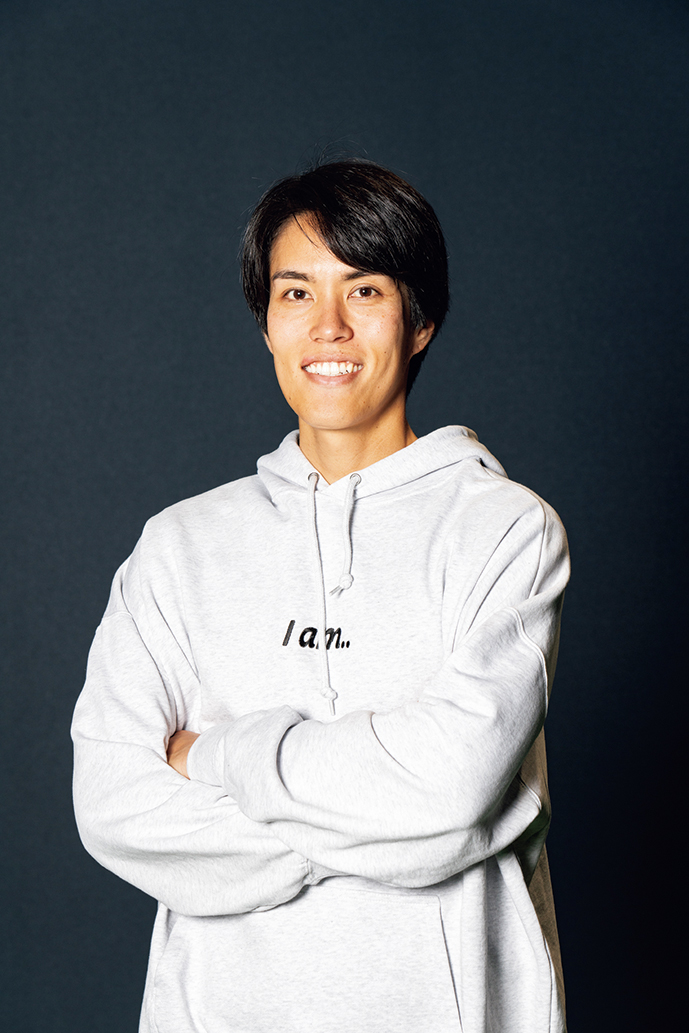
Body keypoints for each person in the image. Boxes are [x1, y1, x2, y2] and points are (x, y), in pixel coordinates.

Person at [72, 159, 570, 1033]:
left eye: (364, 289)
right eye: (296, 293)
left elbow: (449, 788)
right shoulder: (179, 547)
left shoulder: (504, 531)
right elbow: (113, 803)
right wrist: (394, 825)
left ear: (419, 320)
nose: (327, 326)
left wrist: (217, 755)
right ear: (266, 322)